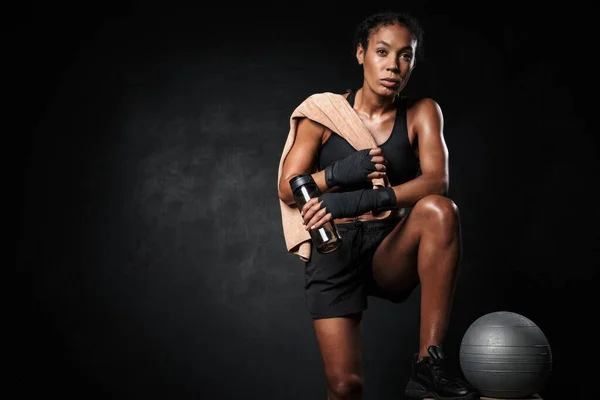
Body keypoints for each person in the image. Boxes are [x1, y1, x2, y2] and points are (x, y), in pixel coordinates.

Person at [277, 10, 479, 400]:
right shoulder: (324, 114)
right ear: (360, 54)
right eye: (383, 52)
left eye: (406, 55)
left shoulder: (422, 112)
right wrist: (336, 174)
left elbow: (438, 181)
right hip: (333, 247)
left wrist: (358, 199)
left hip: (389, 248)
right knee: (345, 387)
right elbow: (289, 188)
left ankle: (428, 364)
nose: (393, 65)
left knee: (440, 209)